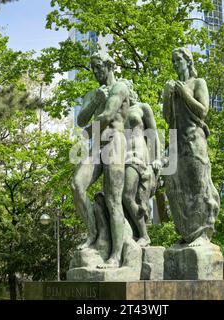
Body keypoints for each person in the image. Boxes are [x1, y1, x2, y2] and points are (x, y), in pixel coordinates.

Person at [71, 52, 131, 269]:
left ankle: (115, 255)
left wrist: (88, 131)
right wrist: (94, 100)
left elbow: (106, 115)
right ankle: (93, 233)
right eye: (93, 68)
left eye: (98, 67)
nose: (95, 72)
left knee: (113, 199)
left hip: (115, 142)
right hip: (97, 147)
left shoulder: (120, 88)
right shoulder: (95, 92)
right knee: (77, 185)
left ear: (109, 66)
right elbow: (80, 118)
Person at [163, 47, 220, 247]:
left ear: (188, 61)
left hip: (194, 141)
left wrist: (184, 93)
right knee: (176, 189)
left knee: (199, 187)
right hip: (176, 144)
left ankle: (204, 233)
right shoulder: (174, 87)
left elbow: (203, 111)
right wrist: (167, 96)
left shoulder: (198, 83)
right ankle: (187, 233)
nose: (176, 65)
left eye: (178, 60)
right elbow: (168, 117)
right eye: (173, 62)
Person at [121, 80, 162, 247]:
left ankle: (144, 234)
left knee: (127, 195)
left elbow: (154, 135)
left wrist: (157, 158)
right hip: (120, 158)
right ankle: (133, 234)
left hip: (138, 156)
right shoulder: (117, 112)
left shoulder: (142, 107)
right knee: (123, 199)